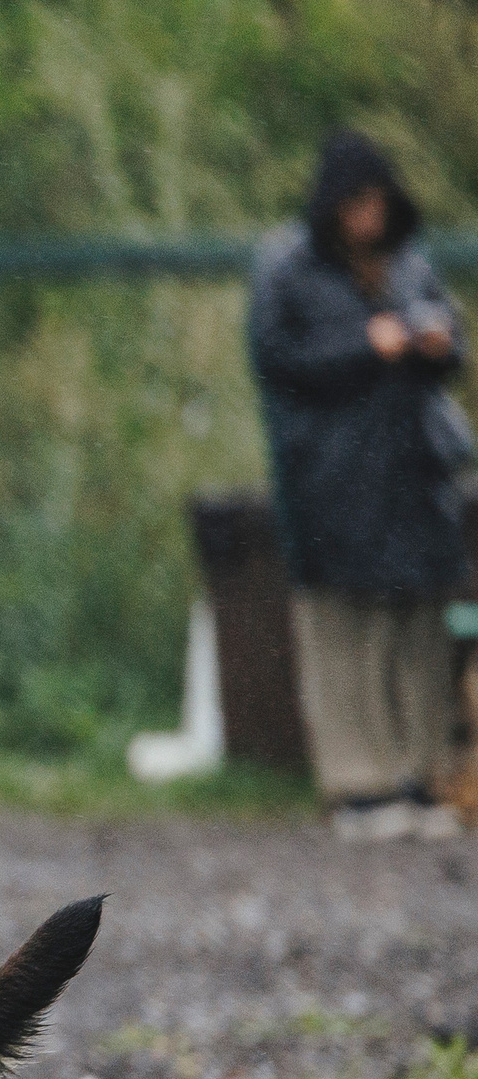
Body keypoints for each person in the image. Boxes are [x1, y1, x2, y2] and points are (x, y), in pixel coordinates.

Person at [250, 129, 469, 842]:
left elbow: (449, 344)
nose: (368, 215)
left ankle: (421, 774)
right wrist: (362, 346)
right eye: (356, 202)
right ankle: (358, 785)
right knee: (347, 630)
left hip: (415, 471)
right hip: (332, 477)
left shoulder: (409, 260)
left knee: (417, 626)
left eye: (377, 201)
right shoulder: (286, 266)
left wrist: (436, 339)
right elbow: (275, 358)